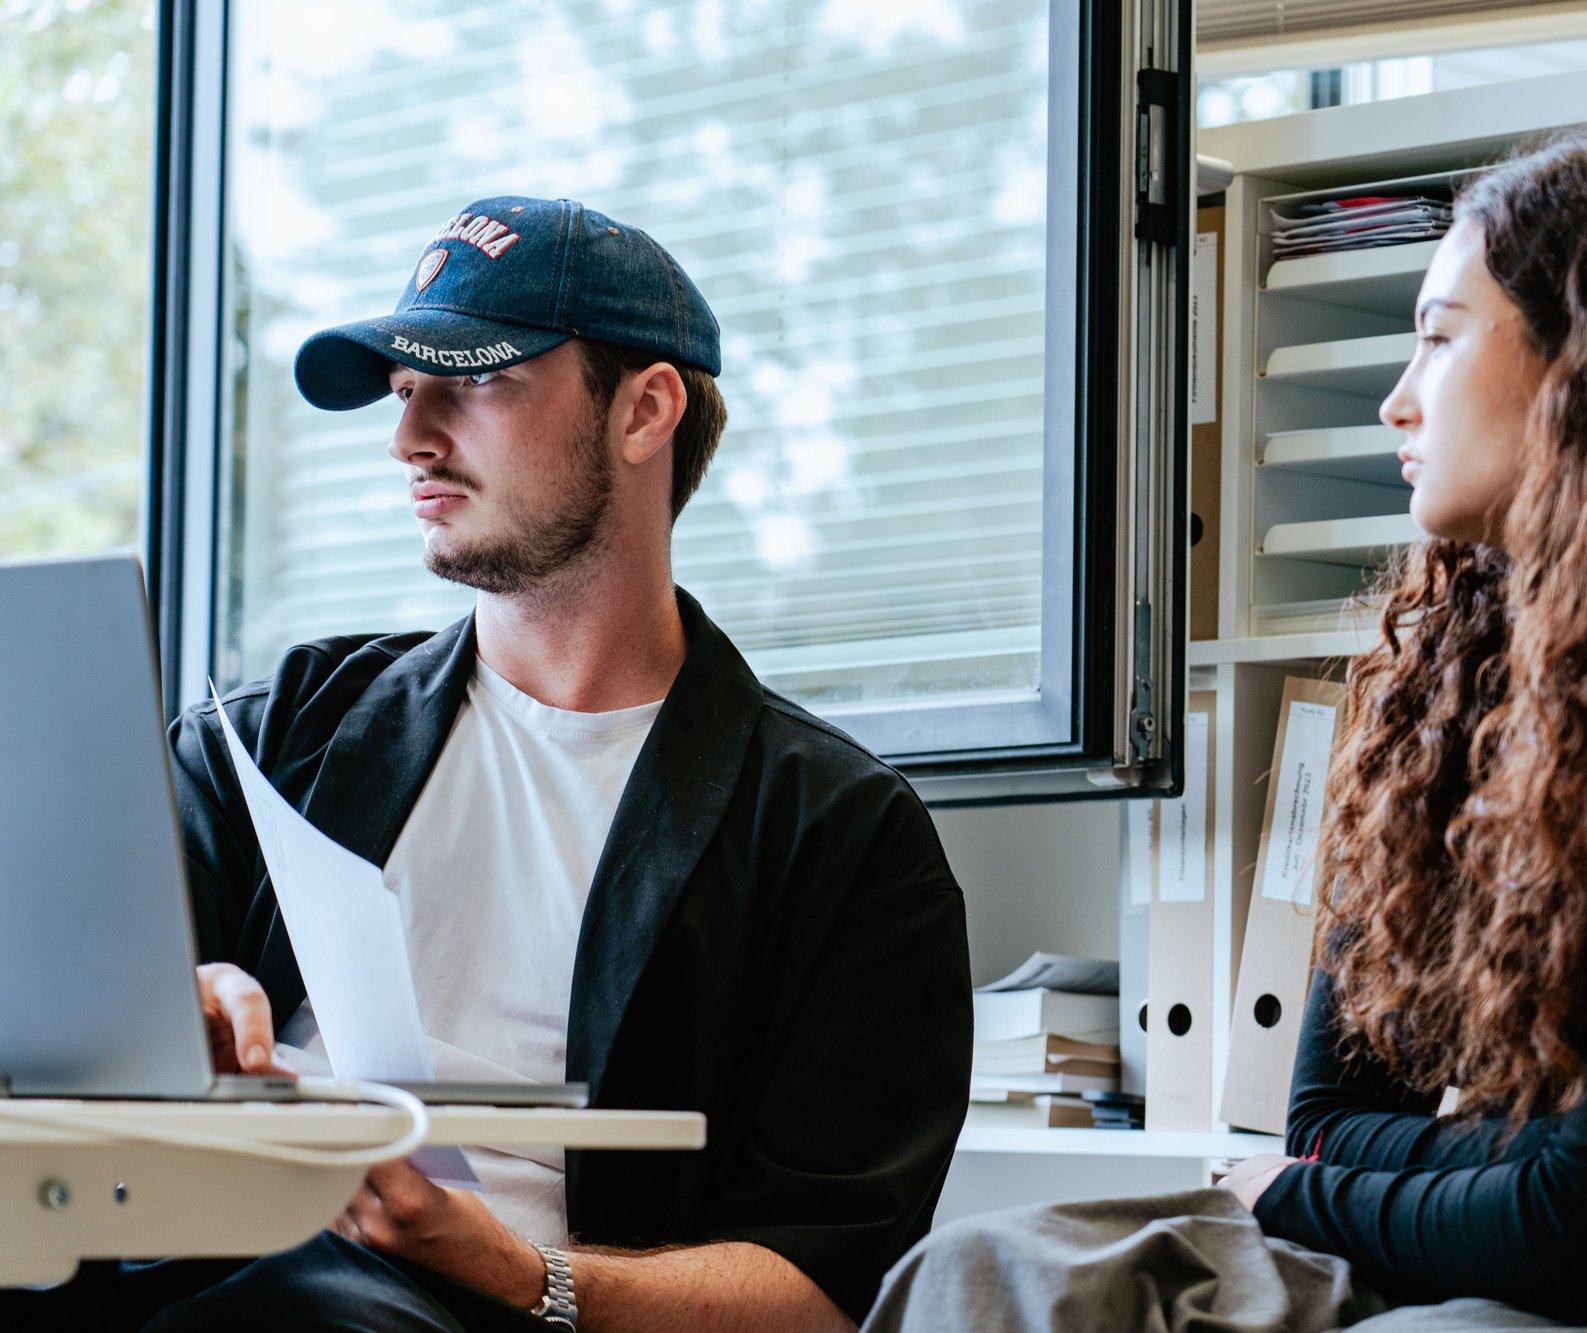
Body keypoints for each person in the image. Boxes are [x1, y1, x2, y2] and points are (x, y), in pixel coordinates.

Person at [862, 131, 1587, 1332]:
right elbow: (1327, 1124)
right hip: (1534, 1211)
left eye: (1438, 336)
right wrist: (1579, 1176)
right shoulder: (1438, 701)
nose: (1397, 397)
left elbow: (1572, 1238)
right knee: (978, 1274)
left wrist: (1303, 1195)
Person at [2, 196, 972, 1332]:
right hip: (177, 1269)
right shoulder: (273, 739)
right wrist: (173, 1015)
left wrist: (518, 1271)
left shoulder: (842, 837)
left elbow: (817, 1290)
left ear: (644, 410)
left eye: (471, 379)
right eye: (405, 391)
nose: (409, 437)